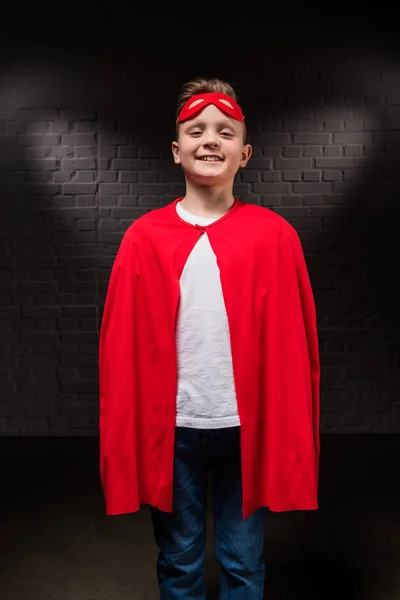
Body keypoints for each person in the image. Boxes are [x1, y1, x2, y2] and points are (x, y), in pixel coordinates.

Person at [99, 76, 320, 599]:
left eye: (225, 131)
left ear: (244, 154)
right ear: (177, 152)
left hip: (246, 428)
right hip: (172, 428)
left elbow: (297, 347)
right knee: (179, 560)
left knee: (243, 561)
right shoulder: (143, 237)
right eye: (196, 131)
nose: (210, 140)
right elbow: (119, 348)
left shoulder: (274, 235)